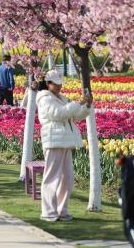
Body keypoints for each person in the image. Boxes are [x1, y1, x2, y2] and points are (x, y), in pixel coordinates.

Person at [36, 69, 92, 222]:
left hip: (65, 140)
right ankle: (48, 211)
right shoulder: (44, 98)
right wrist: (77, 103)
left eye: (60, 84)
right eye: (56, 84)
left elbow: (75, 115)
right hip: (54, 141)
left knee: (67, 177)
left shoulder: (62, 98)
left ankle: (62, 209)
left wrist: (86, 106)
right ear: (48, 84)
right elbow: (58, 114)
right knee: (51, 177)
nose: (59, 87)